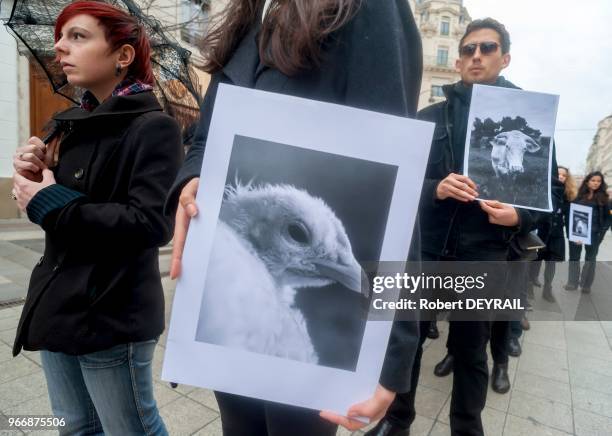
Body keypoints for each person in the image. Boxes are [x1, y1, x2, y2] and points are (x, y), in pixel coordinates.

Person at [165, 0, 423, 435]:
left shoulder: (367, 8)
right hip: (228, 322)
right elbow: (206, 138)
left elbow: (395, 176)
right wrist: (191, 178)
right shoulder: (248, 15)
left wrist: (392, 351)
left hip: (304, 365)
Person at [366, 18, 564, 436]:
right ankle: (397, 420)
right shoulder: (429, 116)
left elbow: (547, 194)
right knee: (407, 340)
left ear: (504, 57)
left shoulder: (531, 119)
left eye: (487, 48)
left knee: (470, 350)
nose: (477, 56)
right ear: (457, 62)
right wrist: (434, 188)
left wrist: (519, 216)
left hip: (484, 251)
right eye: (469, 50)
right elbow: (396, 180)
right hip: (428, 248)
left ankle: (467, 428)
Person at [11, 2, 182, 434]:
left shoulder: (152, 127)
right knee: (76, 428)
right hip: (58, 303)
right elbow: (66, 214)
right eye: (60, 37)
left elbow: (150, 224)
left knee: (131, 429)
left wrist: (51, 200)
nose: (60, 48)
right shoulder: (71, 125)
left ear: (122, 56)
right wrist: (36, 180)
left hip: (111, 309)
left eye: (78, 37)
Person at [529, 165, 577, 301]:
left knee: (552, 262)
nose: (561, 176)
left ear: (567, 179)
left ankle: (547, 289)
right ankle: (530, 284)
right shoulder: (544, 191)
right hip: (541, 232)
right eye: (558, 174)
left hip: (556, 234)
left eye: (564, 175)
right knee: (535, 260)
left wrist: (574, 235)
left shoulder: (569, 196)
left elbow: (570, 218)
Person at [564, 171, 610, 293]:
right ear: (587, 181)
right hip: (577, 232)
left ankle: (586, 284)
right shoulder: (577, 197)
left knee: (590, 259)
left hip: (594, 234)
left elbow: (608, 218)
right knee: (574, 257)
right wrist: (572, 234)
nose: (596, 183)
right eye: (593, 180)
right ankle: (572, 282)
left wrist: (602, 231)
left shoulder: (605, 199)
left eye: (598, 181)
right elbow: (570, 215)